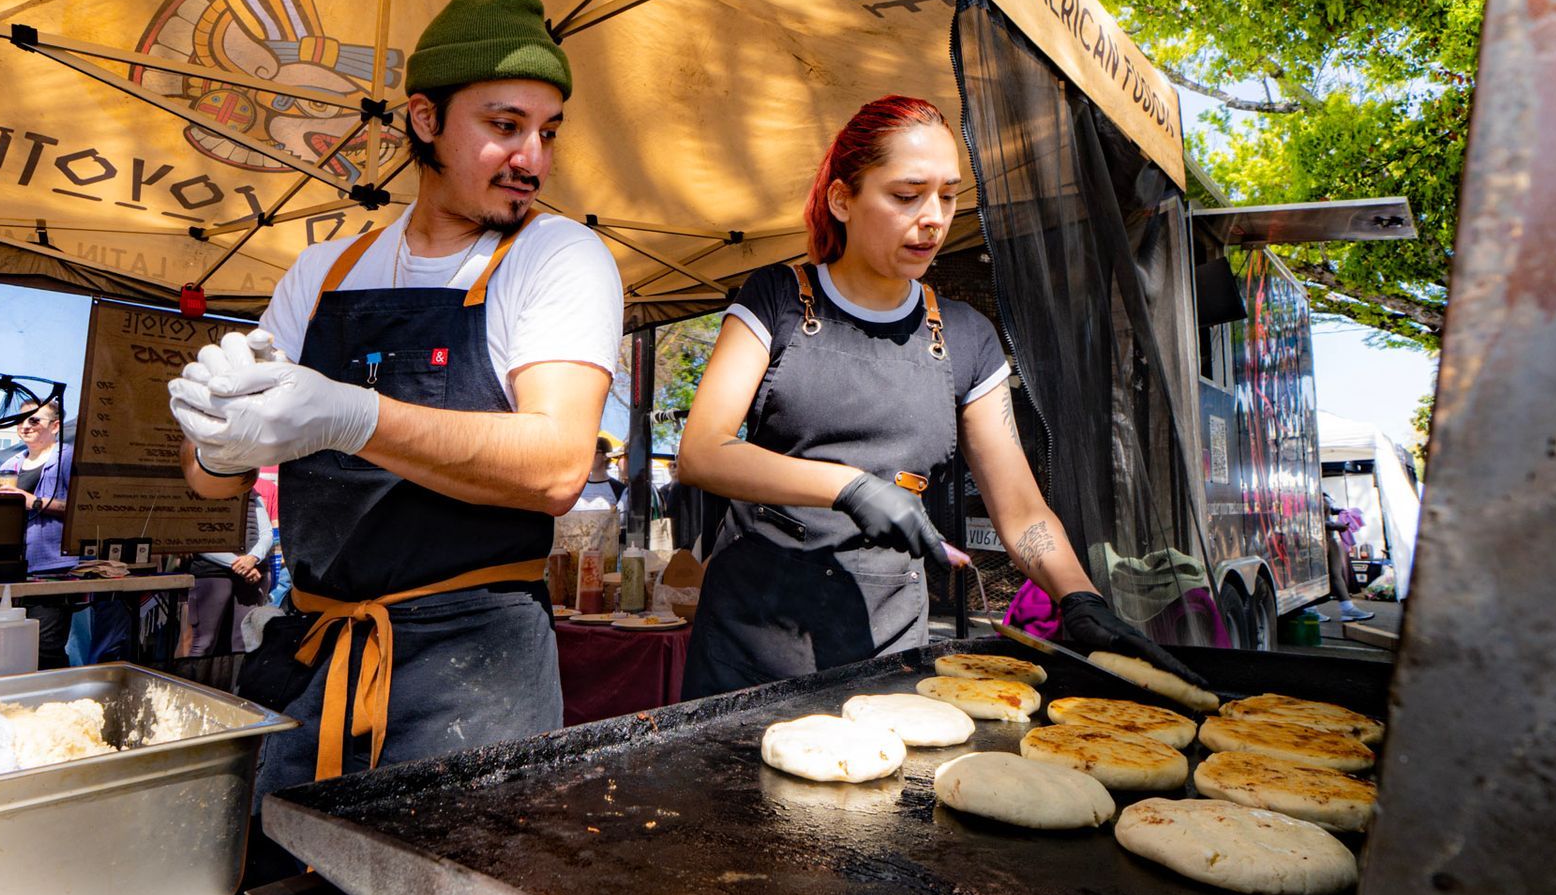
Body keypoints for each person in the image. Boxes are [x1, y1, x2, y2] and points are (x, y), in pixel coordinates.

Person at [168, 0, 623, 797]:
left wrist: (350, 413)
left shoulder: (558, 257)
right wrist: (214, 434)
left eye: (548, 132)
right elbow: (209, 482)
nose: (534, 160)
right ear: (424, 119)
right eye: (504, 126)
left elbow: (557, 465)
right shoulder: (323, 272)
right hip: (312, 655)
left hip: (476, 674)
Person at [675, 96, 1204, 696]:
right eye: (906, 196)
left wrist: (1078, 595)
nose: (933, 218)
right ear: (842, 199)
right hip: (751, 642)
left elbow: (1022, 512)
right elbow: (704, 450)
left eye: (948, 196)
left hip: (887, 647)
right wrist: (849, 487)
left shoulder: (966, 336)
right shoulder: (776, 298)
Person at [0, 398, 78, 666]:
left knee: (44, 647)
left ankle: (56, 701)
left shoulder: (68, 458)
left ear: (55, 426)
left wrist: (34, 501)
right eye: (21, 420)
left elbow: (83, 509)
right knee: (11, 645)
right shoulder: (9, 464)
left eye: (34, 419)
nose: (26, 425)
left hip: (54, 568)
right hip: (14, 569)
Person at [183, 491, 274, 656]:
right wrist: (241, 565)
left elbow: (267, 533)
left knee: (243, 642)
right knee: (204, 642)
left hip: (253, 573)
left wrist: (253, 557)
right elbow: (197, 539)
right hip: (213, 573)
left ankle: (232, 682)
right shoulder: (198, 492)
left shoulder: (253, 495)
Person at [1323, 495, 1374, 622]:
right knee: (1316, 575)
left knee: (1336, 573)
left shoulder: (1320, 490)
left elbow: (1327, 510)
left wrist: (1340, 511)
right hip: (1317, 539)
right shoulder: (1308, 490)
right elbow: (1310, 519)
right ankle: (1310, 610)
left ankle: (1348, 609)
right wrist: (1334, 525)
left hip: (1329, 538)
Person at [570, 435, 626, 512]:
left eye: (594, 452)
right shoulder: (577, 486)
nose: (589, 456)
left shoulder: (619, 489)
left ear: (605, 456)